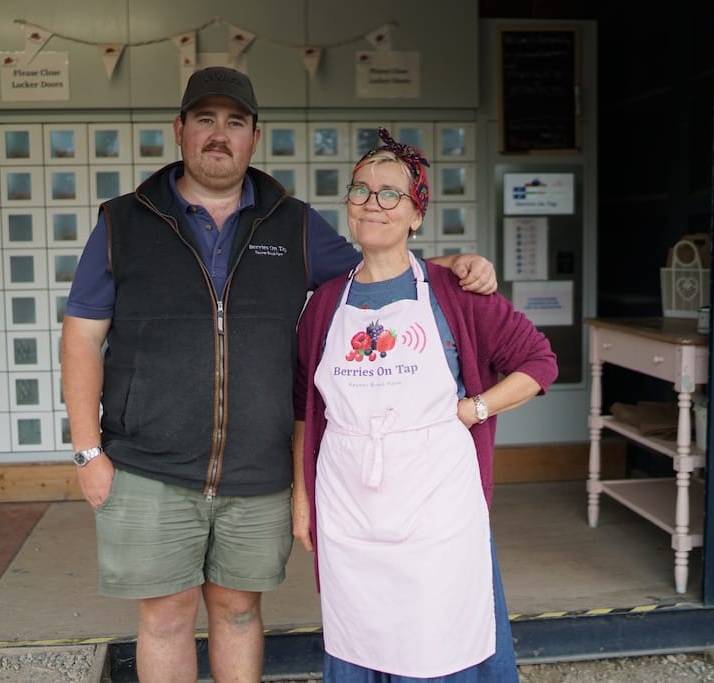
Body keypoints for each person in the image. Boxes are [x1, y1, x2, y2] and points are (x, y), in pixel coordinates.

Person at [60, 67, 499, 683]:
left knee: (239, 613)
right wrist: (87, 453)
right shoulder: (122, 222)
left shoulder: (290, 222)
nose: (220, 135)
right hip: (146, 466)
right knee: (164, 617)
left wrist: (451, 265)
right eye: (206, 120)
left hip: (257, 469)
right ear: (180, 130)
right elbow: (81, 337)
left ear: (254, 137)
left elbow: (375, 268)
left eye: (235, 122)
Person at [292, 129, 559, 681]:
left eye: (390, 193)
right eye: (361, 190)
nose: (372, 203)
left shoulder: (456, 291)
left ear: (416, 213)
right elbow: (305, 404)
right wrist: (302, 496)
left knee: (442, 640)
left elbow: (539, 364)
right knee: (358, 637)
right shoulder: (322, 304)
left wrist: (475, 410)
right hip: (348, 504)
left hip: (437, 504)